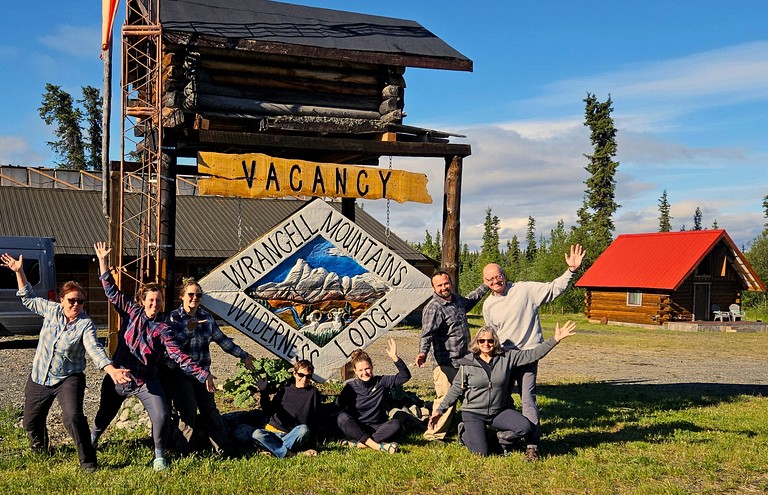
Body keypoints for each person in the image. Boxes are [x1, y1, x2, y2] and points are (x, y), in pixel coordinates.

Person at [0, 253, 130, 473]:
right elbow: (28, 297)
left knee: (72, 417)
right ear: (61, 300)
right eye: (72, 300)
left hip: (68, 377)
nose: (76, 305)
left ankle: (88, 463)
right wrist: (19, 272)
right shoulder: (51, 310)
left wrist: (111, 370)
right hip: (40, 376)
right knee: (30, 423)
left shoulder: (85, 324)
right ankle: (40, 451)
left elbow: (94, 349)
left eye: (80, 301)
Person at [90, 242, 214, 471]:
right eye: (151, 299)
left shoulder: (163, 328)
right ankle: (92, 440)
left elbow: (178, 355)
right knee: (105, 413)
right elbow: (110, 290)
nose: (155, 304)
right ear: (142, 299)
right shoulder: (130, 311)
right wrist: (103, 262)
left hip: (146, 380)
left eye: (158, 300)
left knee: (162, 414)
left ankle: (159, 456)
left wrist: (202, 373)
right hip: (120, 376)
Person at [482, 243, 585, 460]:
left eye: (498, 276)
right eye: (490, 279)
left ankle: (532, 446)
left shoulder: (524, 290)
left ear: (503, 274)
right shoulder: (488, 305)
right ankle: (506, 437)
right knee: (501, 399)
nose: (495, 281)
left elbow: (553, 289)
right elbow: (492, 336)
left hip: (529, 354)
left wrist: (571, 271)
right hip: (504, 358)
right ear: (485, 282)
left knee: (528, 398)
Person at [428, 322, 576, 458]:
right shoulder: (467, 363)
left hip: (499, 411)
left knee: (525, 427)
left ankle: (498, 437)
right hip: (474, 412)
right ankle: (465, 433)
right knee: (482, 453)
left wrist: (555, 339)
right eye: (482, 341)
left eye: (490, 341)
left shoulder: (507, 357)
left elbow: (533, 355)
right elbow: (455, 390)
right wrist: (439, 410)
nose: (486, 344)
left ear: (495, 342)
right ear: (477, 343)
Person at [161, 277, 255, 456]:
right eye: (190, 294)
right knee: (187, 412)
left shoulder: (207, 318)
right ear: (182, 296)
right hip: (180, 375)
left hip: (204, 374)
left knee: (210, 410)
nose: (194, 298)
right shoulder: (172, 318)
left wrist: (243, 355)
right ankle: (183, 451)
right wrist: (188, 329)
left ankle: (225, 449)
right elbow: (171, 349)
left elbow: (223, 341)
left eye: (198, 295)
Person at [415, 271, 487, 441]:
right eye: (439, 285)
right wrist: (422, 353)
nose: (444, 287)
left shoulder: (456, 300)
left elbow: (470, 300)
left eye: (446, 283)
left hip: (465, 360)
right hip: (445, 363)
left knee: (472, 394)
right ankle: (433, 434)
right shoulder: (434, 308)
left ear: (451, 283)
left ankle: (472, 426)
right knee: (446, 399)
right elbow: (426, 334)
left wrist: (486, 285)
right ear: (434, 288)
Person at [336, 339, 410, 454]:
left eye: (367, 368)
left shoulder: (381, 382)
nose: (364, 373)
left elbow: (404, 377)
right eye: (360, 370)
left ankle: (359, 444)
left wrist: (395, 358)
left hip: (377, 427)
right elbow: (337, 406)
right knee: (342, 418)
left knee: (396, 424)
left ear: (372, 367)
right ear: (355, 371)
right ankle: (377, 446)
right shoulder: (350, 387)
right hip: (357, 428)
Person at [251, 360, 321, 458]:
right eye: (301, 375)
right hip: (272, 431)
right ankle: (286, 452)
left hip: (291, 434)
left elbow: (314, 420)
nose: (304, 379)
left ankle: (273, 449)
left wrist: (312, 446)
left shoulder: (313, 393)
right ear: (295, 374)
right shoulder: (285, 389)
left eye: (308, 376)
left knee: (304, 430)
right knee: (256, 434)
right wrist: (264, 391)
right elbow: (268, 411)